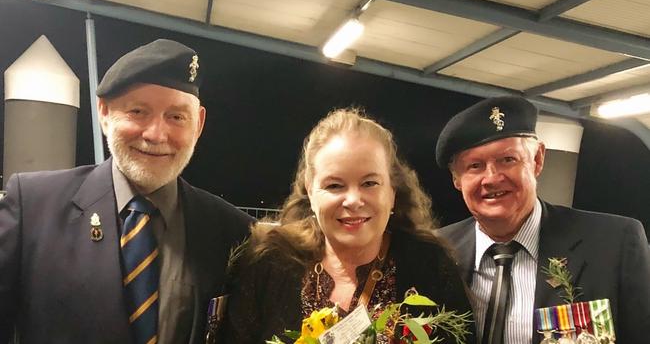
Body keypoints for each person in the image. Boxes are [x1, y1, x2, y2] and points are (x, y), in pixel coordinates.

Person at [0, 39, 253, 344]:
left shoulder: (232, 231)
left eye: (176, 117)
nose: (157, 135)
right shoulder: (34, 206)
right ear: (104, 113)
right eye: (138, 111)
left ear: (198, 124)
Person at [223, 108, 475, 343]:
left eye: (369, 183)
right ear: (310, 192)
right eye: (334, 185)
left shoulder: (430, 266)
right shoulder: (270, 263)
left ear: (393, 191)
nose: (353, 200)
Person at [435, 96, 650, 344]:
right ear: (457, 179)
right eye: (475, 166)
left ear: (537, 159)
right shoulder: (435, 251)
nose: (492, 178)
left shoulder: (614, 243)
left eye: (508, 159)